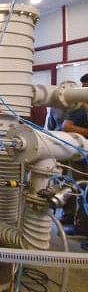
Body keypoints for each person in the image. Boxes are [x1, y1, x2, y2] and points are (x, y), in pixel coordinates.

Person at [60, 73, 88, 250]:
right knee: (80, 189)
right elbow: (66, 127)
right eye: (84, 86)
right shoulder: (78, 108)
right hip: (80, 153)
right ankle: (79, 225)